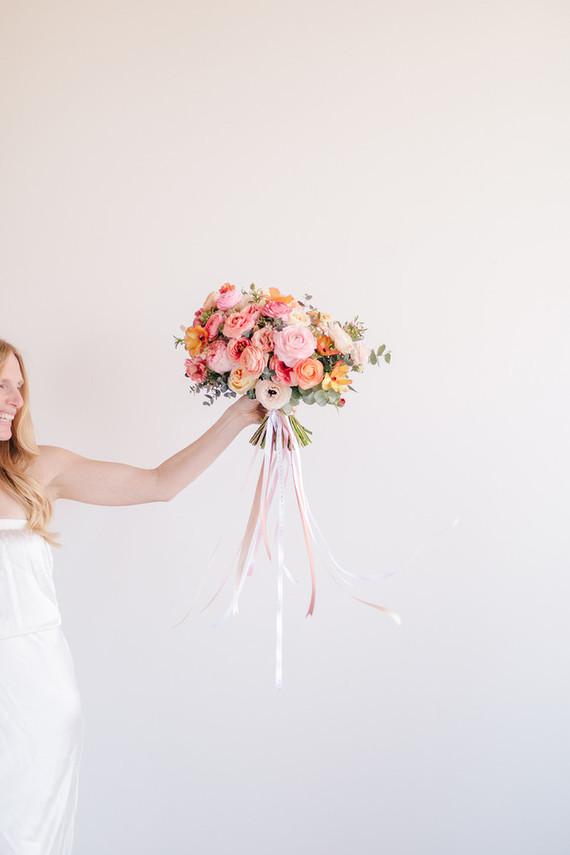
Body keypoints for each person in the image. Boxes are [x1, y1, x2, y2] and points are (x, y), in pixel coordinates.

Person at [0, 339, 264, 854]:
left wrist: (235, 418)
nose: (15, 399)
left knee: (23, 831)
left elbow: (160, 483)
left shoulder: (42, 469)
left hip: (29, 682)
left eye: (18, 386)